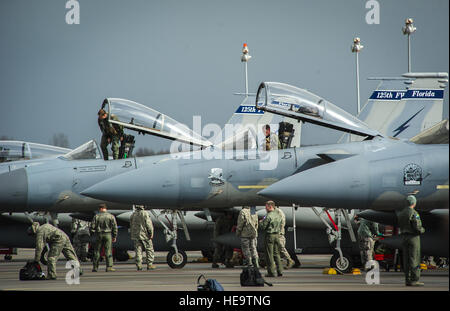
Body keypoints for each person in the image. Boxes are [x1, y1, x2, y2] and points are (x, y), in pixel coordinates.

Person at [396, 195, 426, 286]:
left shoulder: (401, 213)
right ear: (414, 203)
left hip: (404, 238)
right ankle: (414, 280)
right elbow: (417, 227)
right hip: (413, 238)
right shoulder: (414, 213)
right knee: (414, 258)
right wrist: (422, 230)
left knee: (406, 259)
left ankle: (407, 279)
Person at [90, 204, 118, 272]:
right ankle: (109, 267)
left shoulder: (96, 216)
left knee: (97, 251)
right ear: (105, 208)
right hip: (108, 235)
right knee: (108, 251)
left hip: (98, 235)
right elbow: (115, 227)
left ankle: (95, 267)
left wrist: (92, 234)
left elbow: (92, 227)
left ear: (100, 209)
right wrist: (114, 236)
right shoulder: (111, 216)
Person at [260, 201, 283, 277]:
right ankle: (280, 271)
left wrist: (260, 222)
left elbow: (263, 227)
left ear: (270, 207)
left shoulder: (268, 216)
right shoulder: (278, 215)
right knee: (277, 254)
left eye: (266, 206)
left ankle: (271, 272)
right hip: (277, 235)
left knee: (269, 254)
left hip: (269, 236)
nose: (265, 208)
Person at [130, 205, 156, 271]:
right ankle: (150, 265)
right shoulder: (145, 213)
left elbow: (131, 224)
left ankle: (139, 265)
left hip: (136, 235)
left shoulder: (133, 214)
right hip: (145, 235)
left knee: (138, 250)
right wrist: (151, 233)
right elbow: (149, 224)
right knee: (149, 249)